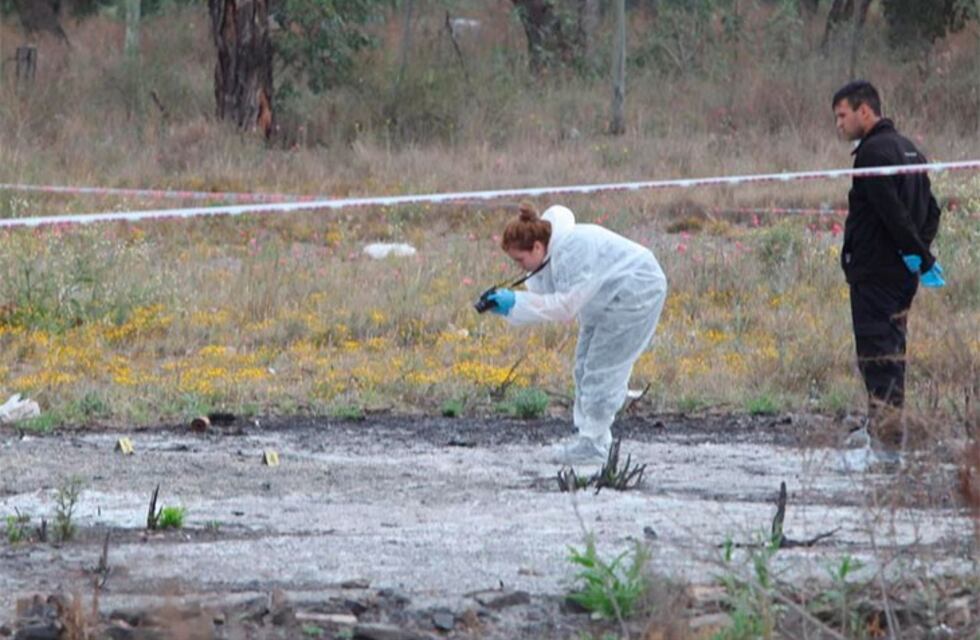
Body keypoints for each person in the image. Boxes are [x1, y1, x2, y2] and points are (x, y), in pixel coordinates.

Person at [485, 203, 667, 465]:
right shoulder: (550, 257)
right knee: (584, 366)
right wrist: (508, 307)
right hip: (607, 299)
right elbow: (546, 300)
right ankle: (592, 438)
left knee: (602, 368)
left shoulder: (573, 248)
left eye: (519, 259)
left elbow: (565, 307)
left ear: (537, 246)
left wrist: (516, 302)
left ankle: (594, 444)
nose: (519, 266)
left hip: (637, 291)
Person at [831, 80, 944, 460]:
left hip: (876, 275)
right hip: (900, 277)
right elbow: (932, 211)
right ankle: (889, 433)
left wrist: (917, 253)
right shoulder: (911, 149)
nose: (839, 125)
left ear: (866, 111)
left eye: (842, 115)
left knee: (877, 358)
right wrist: (918, 253)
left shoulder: (872, 153)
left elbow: (890, 211)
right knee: (893, 355)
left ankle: (885, 445)